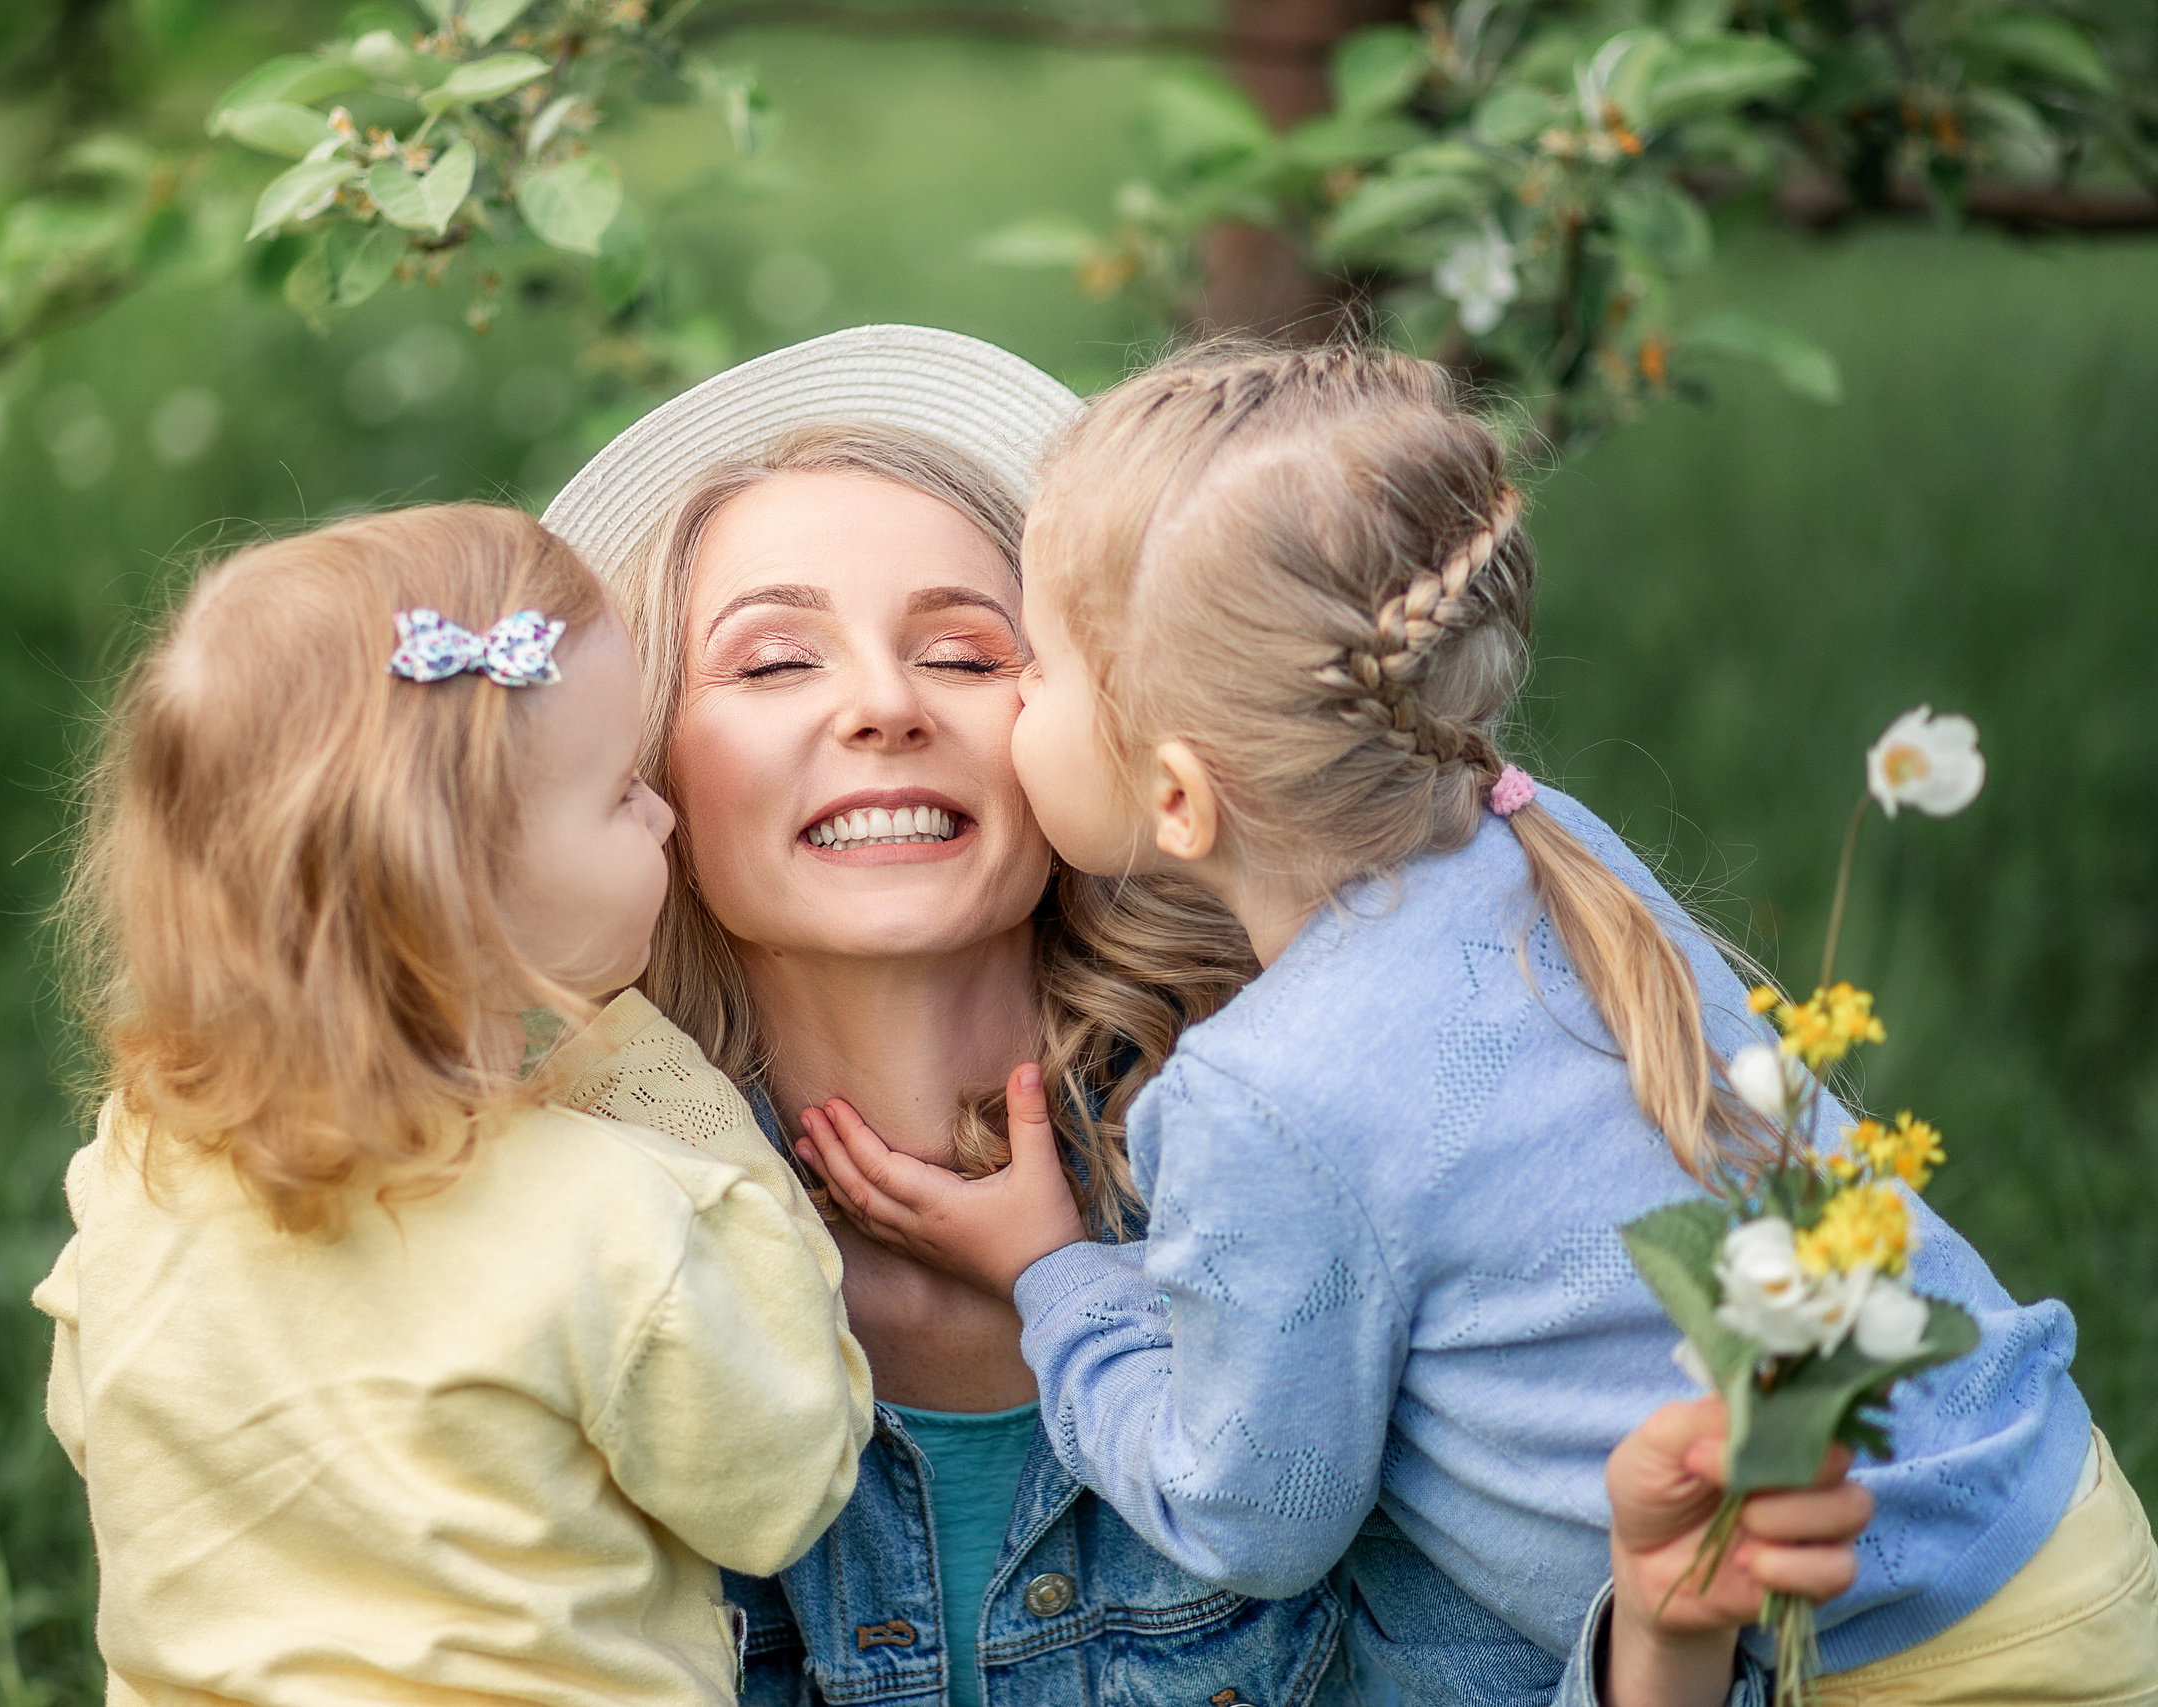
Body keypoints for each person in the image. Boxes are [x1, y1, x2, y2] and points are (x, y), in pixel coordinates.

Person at [799, 340, 2158, 1705]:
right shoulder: (1532, 830)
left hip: (1883, 1653)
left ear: (1176, 803)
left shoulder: (1263, 1094)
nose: (1013, 696)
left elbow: (1249, 1516)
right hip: (2043, 1505)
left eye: (1037, 665)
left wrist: (1058, 1279)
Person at [541, 326, 1875, 1707]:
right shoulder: (601, 1253)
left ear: (1122, 732)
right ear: (641, 770)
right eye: (773, 664)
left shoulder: (1308, 1146)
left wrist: (1660, 1646)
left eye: (968, 654)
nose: (884, 705)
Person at [30, 503, 872, 1707]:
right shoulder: (614, 1217)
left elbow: (98, 1427)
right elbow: (783, 1483)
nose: (663, 813)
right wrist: (671, 1096)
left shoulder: (137, 1173)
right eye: (618, 793)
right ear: (468, 890)